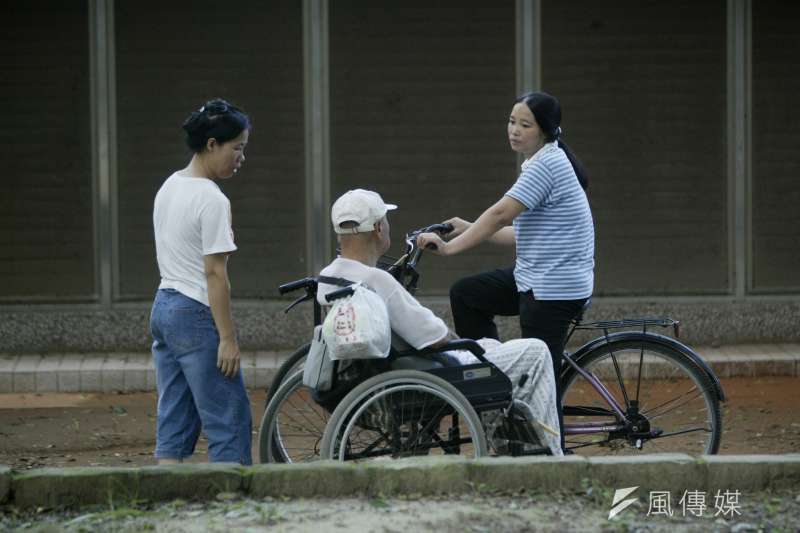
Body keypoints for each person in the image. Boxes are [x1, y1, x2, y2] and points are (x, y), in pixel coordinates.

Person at [317, 189, 563, 455]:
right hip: (433, 371)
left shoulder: (330, 275)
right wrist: (460, 342)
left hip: (381, 370)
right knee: (536, 351)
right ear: (378, 228)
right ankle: (550, 453)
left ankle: (509, 442)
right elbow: (433, 337)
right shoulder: (378, 281)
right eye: (386, 220)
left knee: (491, 343)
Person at [416, 91, 595, 450]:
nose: (514, 130)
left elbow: (500, 214)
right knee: (467, 294)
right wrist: (465, 226)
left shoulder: (547, 165)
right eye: (512, 121)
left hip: (553, 291)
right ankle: (494, 379)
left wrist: (450, 248)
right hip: (534, 278)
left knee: (541, 383)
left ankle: (551, 459)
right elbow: (518, 232)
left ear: (544, 131)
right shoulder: (538, 162)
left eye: (524, 124)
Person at [149, 98, 252, 465]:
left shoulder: (170, 185)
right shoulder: (211, 199)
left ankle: (166, 498)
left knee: (175, 418)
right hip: (194, 313)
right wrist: (227, 338)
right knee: (229, 418)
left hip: (163, 307)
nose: (241, 157)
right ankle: (234, 501)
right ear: (212, 145)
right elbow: (215, 273)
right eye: (237, 148)